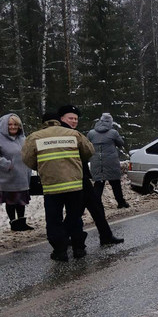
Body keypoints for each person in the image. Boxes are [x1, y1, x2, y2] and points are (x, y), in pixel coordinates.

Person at [22, 111, 94, 261]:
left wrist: (42, 166)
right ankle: (79, 248)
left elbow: (27, 159)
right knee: (74, 217)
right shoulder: (73, 134)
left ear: (44, 123)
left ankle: (60, 251)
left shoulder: (34, 137)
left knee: (54, 219)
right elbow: (89, 151)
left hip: (51, 186)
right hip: (74, 184)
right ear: (58, 121)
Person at [57, 105, 125, 248]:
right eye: (71, 118)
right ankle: (62, 238)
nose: (74, 121)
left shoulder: (84, 133)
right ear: (61, 119)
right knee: (77, 210)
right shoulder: (62, 135)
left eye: (76, 119)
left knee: (96, 205)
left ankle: (106, 235)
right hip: (71, 178)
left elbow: (87, 151)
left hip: (83, 175)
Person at [88, 113, 129, 208]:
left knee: (98, 184)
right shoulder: (113, 133)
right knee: (115, 183)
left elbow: (87, 145)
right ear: (110, 122)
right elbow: (121, 143)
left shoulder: (91, 133)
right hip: (111, 162)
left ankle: (96, 205)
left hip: (97, 161)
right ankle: (121, 202)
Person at [1, 113, 33, 231]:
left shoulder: (23, 138)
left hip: (23, 175)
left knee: (21, 200)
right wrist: (7, 164)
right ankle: (13, 222)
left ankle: (21, 222)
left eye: (16, 124)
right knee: (11, 200)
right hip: (8, 176)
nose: (13, 127)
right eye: (10, 124)